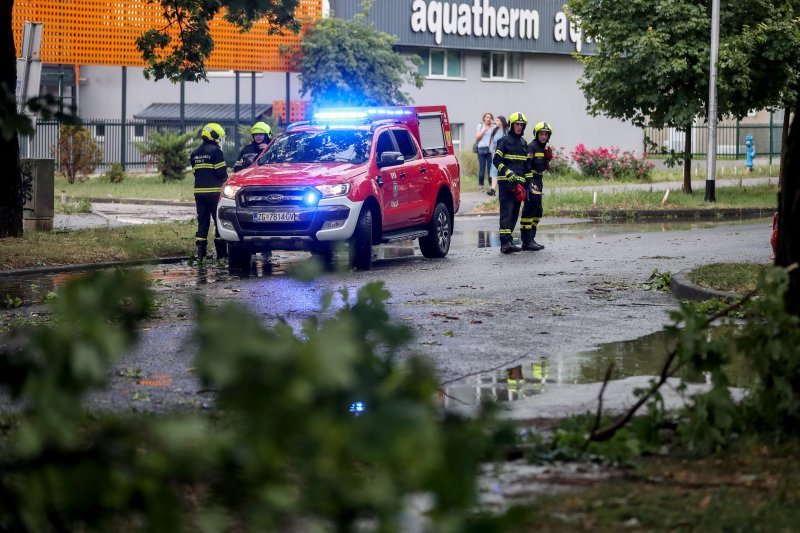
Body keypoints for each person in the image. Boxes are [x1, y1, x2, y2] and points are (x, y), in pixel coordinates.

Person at [493, 112, 532, 254]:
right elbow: (496, 160)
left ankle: (508, 241)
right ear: (512, 125)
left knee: (515, 212)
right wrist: (507, 172)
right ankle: (504, 243)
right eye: (517, 124)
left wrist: (529, 183)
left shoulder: (523, 143)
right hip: (506, 183)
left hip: (519, 184)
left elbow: (527, 166)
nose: (519, 127)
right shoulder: (504, 141)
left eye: (521, 125)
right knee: (506, 212)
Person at [190, 123, 229, 261]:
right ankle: (221, 256)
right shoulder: (216, 151)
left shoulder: (194, 153)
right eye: (219, 136)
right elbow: (221, 173)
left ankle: (200, 256)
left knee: (203, 222)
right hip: (215, 193)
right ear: (213, 135)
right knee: (219, 222)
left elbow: (196, 173)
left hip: (199, 193)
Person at [520, 121, 554, 251]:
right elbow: (526, 165)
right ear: (536, 134)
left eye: (546, 134)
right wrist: (529, 183)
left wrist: (548, 158)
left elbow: (543, 165)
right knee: (529, 210)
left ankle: (532, 239)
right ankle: (526, 241)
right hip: (531, 180)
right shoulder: (532, 147)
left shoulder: (544, 148)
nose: (543, 136)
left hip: (539, 180)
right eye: (541, 134)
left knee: (538, 211)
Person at [487, 115, 508, 196]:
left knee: (502, 170)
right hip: (495, 153)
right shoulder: (495, 130)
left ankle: (503, 188)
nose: (496, 122)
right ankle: (493, 189)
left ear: (502, 122)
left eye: (498, 121)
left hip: (503, 154)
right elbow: (492, 142)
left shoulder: (506, 131)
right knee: (494, 170)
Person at [474, 112, 494, 193]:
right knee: (482, 169)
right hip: (481, 150)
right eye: (487, 117)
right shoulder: (480, 126)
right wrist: (484, 130)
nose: (488, 119)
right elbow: (477, 136)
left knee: (490, 169)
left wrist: (492, 127)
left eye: (490, 117)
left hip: (489, 150)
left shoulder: (493, 127)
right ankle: (481, 186)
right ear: (484, 118)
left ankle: (491, 186)